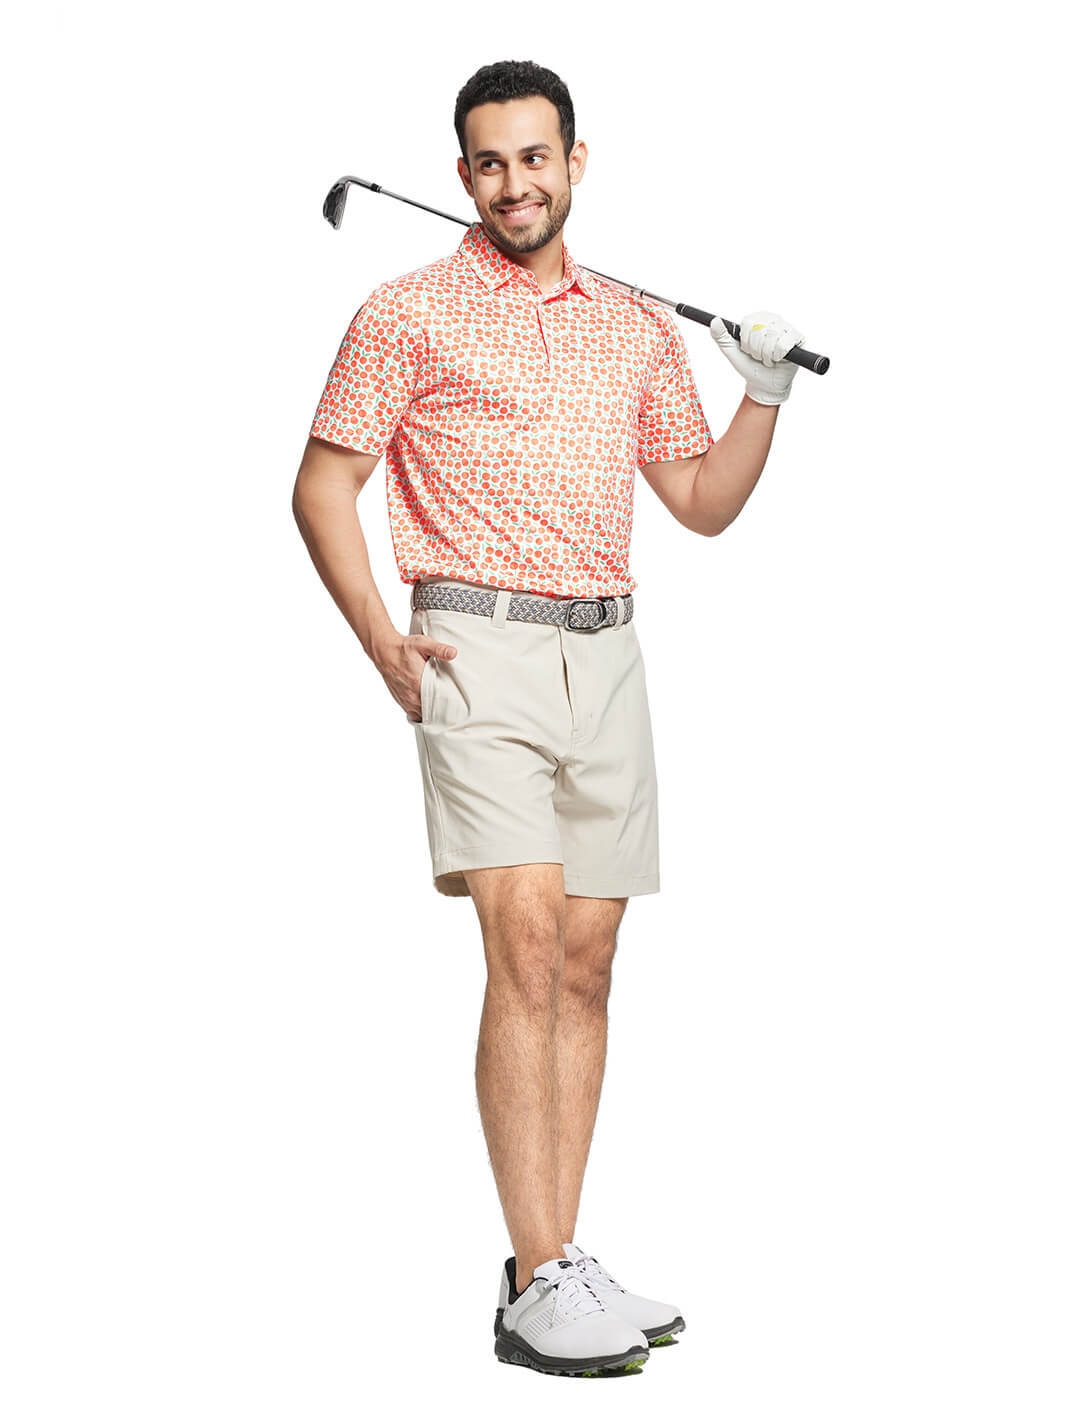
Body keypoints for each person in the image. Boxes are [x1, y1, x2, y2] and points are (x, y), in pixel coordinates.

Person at [292, 59, 806, 1378]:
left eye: (535, 157)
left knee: (586, 962)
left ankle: (559, 1258)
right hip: (477, 649)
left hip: (607, 653)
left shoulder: (634, 326)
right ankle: (533, 1283)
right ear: (463, 174)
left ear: (577, 160)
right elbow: (322, 486)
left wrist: (761, 395)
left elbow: (699, 503)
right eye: (489, 162)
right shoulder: (406, 311)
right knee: (522, 952)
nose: (513, 184)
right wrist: (382, 641)